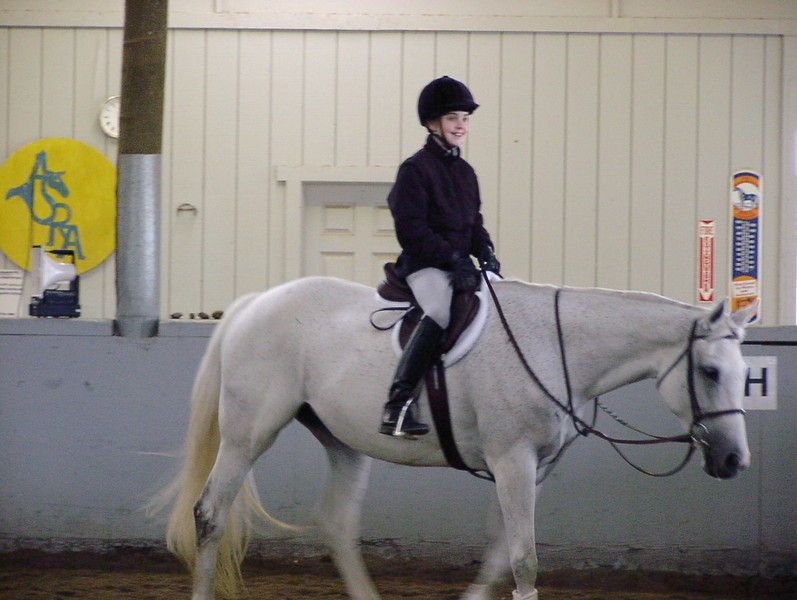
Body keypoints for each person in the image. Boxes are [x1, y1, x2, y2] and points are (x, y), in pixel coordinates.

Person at [379, 75, 501, 438]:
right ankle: (398, 405)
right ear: (433, 123)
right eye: (452, 118)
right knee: (440, 310)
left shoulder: (466, 172)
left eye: (465, 118)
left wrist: (485, 250)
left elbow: (473, 222)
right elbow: (411, 230)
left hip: (459, 264)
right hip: (426, 265)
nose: (461, 125)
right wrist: (452, 258)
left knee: (499, 300)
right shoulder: (415, 170)